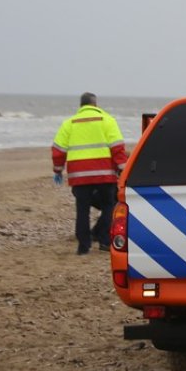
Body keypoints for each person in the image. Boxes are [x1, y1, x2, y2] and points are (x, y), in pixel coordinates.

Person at [51, 93, 127, 255]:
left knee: (82, 210)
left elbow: (58, 150)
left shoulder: (69, 123)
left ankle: (83, 246)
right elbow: (117, 148)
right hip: (104, 174)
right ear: (95, 104)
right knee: (110, 206)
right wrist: (122, 168)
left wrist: (58, 170)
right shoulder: (107, 120)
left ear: (81, 106)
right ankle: (105, 241)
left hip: (79, 176)